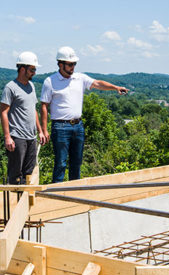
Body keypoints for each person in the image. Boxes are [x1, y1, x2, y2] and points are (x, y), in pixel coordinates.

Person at [41, 46, 129, 183]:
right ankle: (56, 194)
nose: (73, 67)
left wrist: (115, 88)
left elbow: (98, 83)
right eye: (70, 64)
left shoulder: (79, 78)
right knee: (61, 163)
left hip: (78, 126)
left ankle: (75, 192)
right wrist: (44, 130)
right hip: (60, 127)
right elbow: (44, 106)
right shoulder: (50, 81)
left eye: (74, 64)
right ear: (60, 64)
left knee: (76, 163)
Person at [0, 51, 46, 184]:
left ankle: (24, 202)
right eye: (32, 69)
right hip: (17, 137)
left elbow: (33, 109)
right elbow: (3, 112)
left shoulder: (31, 86)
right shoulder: (10, 88)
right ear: (22, 69)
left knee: (28, 174)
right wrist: (7, 136)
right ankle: (14, 202)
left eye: (35, 69)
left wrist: (40, 131)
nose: (34, 72)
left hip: (31, 137)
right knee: (15, 174)